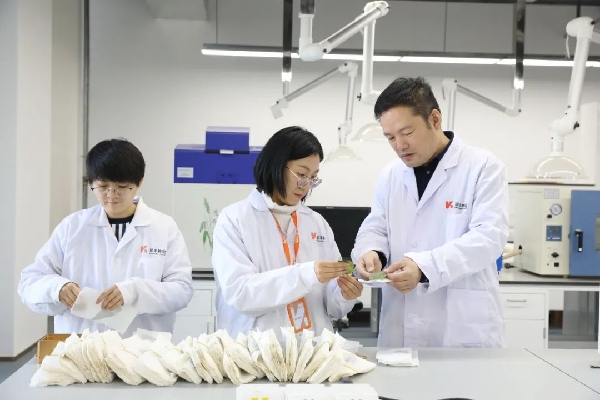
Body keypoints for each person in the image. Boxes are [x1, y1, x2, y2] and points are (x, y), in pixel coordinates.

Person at [352, 77, 508, 348]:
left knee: (460, 378)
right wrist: (371, 252)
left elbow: (489, 238)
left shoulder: (483, 167)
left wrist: (424, 267)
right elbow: (376, 226)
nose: (399, 145)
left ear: (434, 119)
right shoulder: (390, 175)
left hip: (461, 327)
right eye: (390, 137)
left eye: (407, 132)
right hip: (400, 326)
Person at [18, 138, 194, 337]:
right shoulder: (72, 227)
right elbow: (29, 283)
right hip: (81, 345)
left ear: (139, 183)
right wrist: (57, 288)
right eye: (102, 186)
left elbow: (182, 290)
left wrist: (135, 292)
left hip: (142, 348)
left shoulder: (163, 227)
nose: (111, 194)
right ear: (91, 183)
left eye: (121, 186)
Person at [211, 126, 363, 339]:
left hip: (312, 349)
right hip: (255, 350)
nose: (306, 185)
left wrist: (345, 294)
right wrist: (306, 274)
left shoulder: (316, 223)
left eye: (313, 177)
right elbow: (241, 294)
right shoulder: (235, 219)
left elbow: (333, 307)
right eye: (301, 174)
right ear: (276, 165)